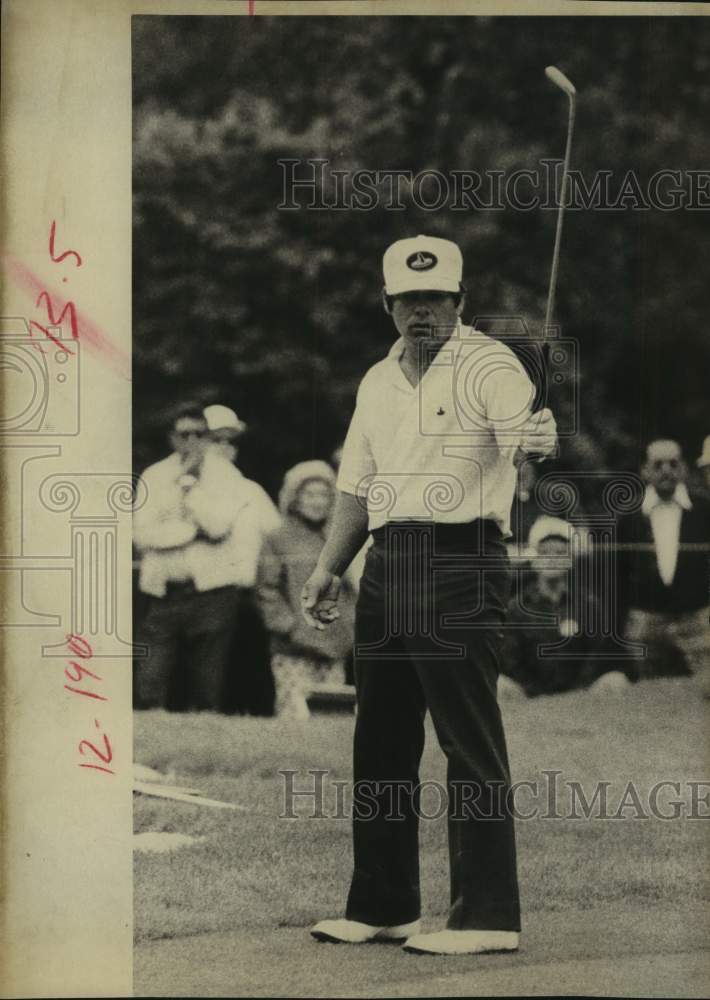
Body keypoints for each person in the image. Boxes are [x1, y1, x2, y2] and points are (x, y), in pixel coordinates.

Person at [300, 234, 557, 955]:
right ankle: (384, 904)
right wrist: (328, 567)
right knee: (379, 736)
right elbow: (357, 484)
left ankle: (487, 918)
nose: (424, 313)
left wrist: (536, 437)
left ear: (460, 302)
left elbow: (524, 435)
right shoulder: (376, 381)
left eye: (438, 300)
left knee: (466, 738)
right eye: (410, 301)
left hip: (461, 559)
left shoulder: (489, 364)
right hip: (386, 561)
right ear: (387, 305)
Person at [133, 401, 278, 711]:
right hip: (164, 590)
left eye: (200, 435)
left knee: (207, 684)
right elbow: (142, 535)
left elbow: (217, 526)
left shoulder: (228, 477)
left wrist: (190, 487)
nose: (192, 442)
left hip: (212, 592)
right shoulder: (155, 475)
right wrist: (189, 533)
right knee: (151, 680)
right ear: (172, 437)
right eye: (184, 434)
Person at [257, 460, 356, 718]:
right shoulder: (277, 537)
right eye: (310, 494)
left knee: (332, 715)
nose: (317, 501)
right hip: (293, 647)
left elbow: (351, 589)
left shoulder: (339, 538)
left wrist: (350, 628)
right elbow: (266, 590)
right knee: (295, 714)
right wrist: (290, 627)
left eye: (324, 494)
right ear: (294, 498)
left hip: (334, 644)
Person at [203, 404, 282, 715]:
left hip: (247, 596)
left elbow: (276, 536)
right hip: (202, 597)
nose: (224, 448)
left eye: (231, 441)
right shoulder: (183, 484)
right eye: (216, 439)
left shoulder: (250, 490)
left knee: (246, 668)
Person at [501, 516, 636, 696]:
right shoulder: (516, 608)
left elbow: (598, 654)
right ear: (534, 560)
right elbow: (511, 660)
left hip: (581, 693)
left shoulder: (588, 605)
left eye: (560, 553)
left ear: (571, 559)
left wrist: (582, 688)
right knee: (499, 684)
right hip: (530, 695)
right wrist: (533, 692)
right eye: (545, 553)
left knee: (616, 679)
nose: (552, 559)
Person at [617, 439, 710, 687]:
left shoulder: (704, 509)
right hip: (646, 621)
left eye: (673, 463)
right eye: (657, 464)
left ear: (684, 469)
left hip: (698, 618)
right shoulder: (628, 515)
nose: (666, 470)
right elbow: (619, 574)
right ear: (644, 470)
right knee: (650, 693)